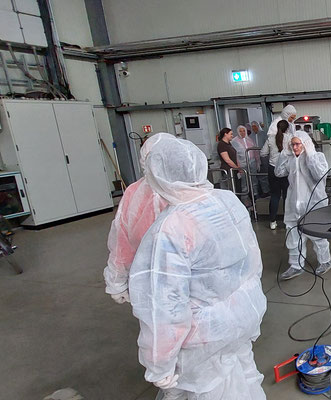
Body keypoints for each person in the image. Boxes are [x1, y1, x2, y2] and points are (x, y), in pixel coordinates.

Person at [129, 137, 268, 399]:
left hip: (204, 339)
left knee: (208, 390)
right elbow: (252, 261)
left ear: (158, 175)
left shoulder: (171, 227)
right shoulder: (227, 200)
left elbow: (164, 307)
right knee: (242, 381)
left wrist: (159, 365)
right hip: (243, 316)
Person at [103, 133, 171, 304]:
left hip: (187, 281)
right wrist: (117, 280)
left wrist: (116, 282)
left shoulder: (191, 192)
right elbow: (123, 241)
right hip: (151, 278)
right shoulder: (135, 193)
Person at [275, 130, 331, 280]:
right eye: (292, 144)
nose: (294, 147)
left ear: (305, 143)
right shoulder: (291, 160)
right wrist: (283, 154)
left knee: (317, 235)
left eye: (297, 144)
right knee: (293, 235)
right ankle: (295, 265)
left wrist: (311, 155)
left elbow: (320, 175)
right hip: (293, 204)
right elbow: (278, 172)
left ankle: (325, 261)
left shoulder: (317, 157)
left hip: (314, 203)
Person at [262, 120, 291, 230]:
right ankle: (287, 221)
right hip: (286, 169)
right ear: (287, 128)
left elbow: (263, 153)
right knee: (287, 196)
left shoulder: (270, 138)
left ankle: (272, 222)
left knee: (274, 195)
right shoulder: (289, 138)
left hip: (272, 169)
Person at [231, 125, 258, 196]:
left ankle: (255, 194)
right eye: (240, 131)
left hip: (252, 162)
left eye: (244, 131)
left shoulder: (250, 139)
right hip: (242, 163)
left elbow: (255, 151)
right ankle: (245, 197)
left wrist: (258, 162)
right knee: (244, 180)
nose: (242, 132)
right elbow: (235, 154)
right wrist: (238, 166)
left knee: (253, 178)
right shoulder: (235, 141)